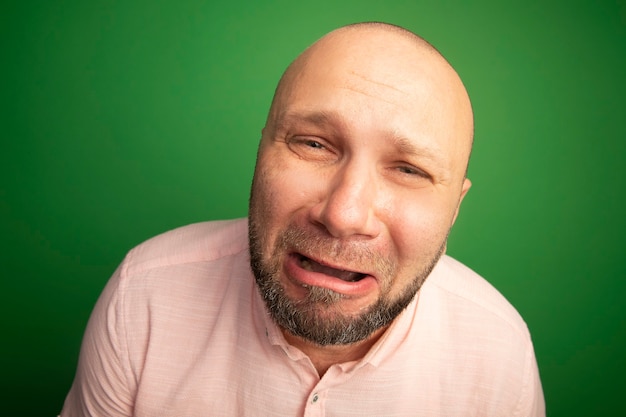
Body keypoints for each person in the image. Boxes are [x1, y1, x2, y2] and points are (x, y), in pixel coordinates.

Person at [60, 22, 545, 416]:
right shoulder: (142, 297)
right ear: (261, 151)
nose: (344, 215)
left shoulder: (499, 353)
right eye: (313, 144)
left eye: (409, 170)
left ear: (455, 207)